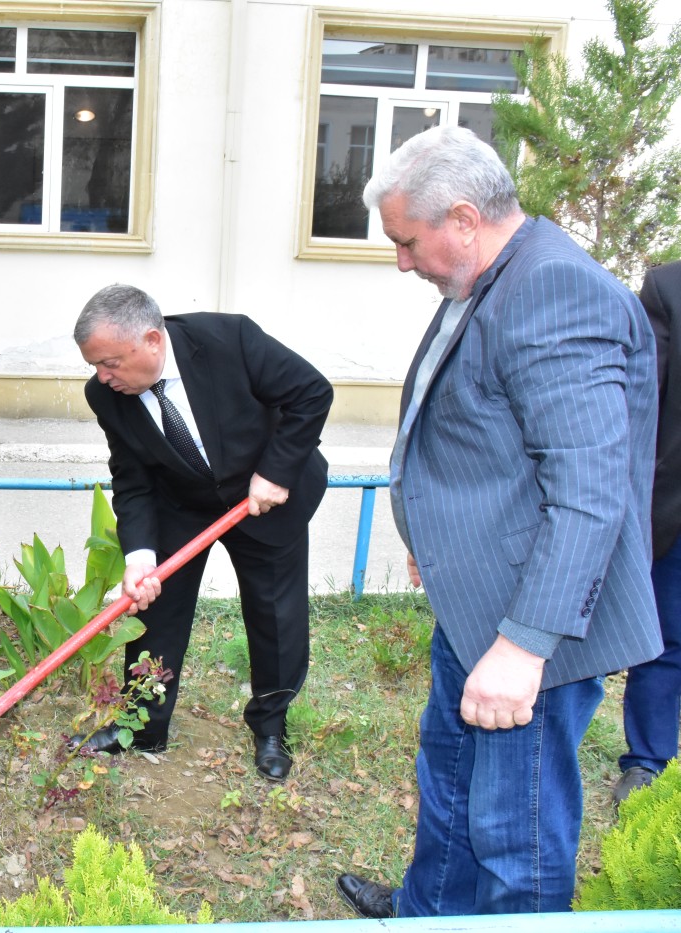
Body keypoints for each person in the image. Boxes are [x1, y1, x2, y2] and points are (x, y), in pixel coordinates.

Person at [335, 125, 660, 919]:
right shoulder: (487, 278)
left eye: (408, 241)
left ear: (463, 218)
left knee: (518, 828)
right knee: (448, 777)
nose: (402, 261)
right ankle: (431, 911)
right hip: (477, 600)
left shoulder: (553, 289)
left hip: (529, 627)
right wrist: (436, 539)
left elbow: (589, 490)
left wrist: (523, 648)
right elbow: (486, 441)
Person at [71, 284, 333, 781]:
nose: (103, 378)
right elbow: (131, 474)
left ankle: (271, 727)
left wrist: (276, 473)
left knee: (274, 613)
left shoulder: (227, 339)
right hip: (180, 500)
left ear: (151, 340)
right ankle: (142, 725)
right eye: (94, 366)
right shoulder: (105, 395)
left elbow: (311, 392)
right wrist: (140, 556)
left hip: (264, 498)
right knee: (156, 609)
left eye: (110, 363)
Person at [614, 259, 681, 805]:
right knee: (665, 639)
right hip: (678, 510)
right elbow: (640, 405)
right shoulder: (670, 287)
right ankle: (648, 763)